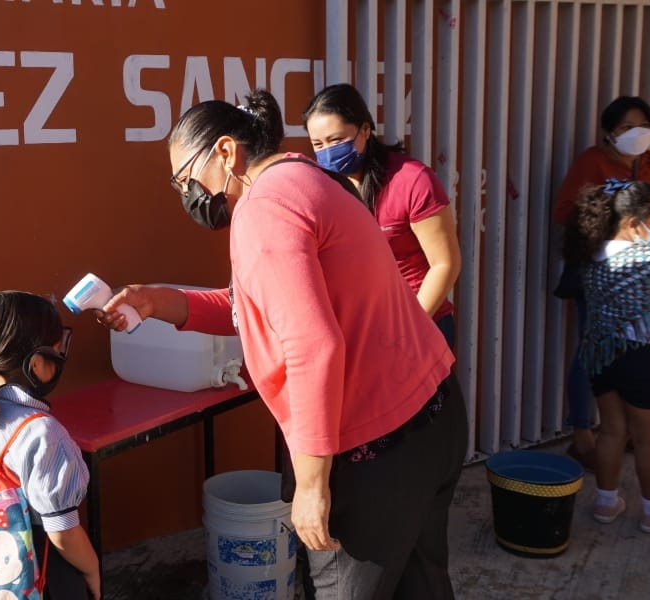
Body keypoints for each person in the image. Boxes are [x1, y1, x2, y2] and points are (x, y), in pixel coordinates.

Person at [98, 89, 468, 598]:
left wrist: (312, 484)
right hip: (434, 416)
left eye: (186, 179)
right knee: (422, 586)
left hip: (375, 452)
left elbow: (312, 346)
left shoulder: (263, 207)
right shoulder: (306, 178)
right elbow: (257, 304)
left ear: (226, 153)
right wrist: (157, 301)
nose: (188, 195)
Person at [0, 291, 101, 599]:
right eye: (58, 349)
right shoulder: (42, 433)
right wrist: (92, 570)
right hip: (42, 576)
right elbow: (62, 532)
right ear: (37, 363)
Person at [563, 179, 650, 535]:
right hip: (646, 360)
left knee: (611, 432)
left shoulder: (593, 257)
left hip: (604, 357)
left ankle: (606, 503)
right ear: (634, 223)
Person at [551, 96, 650, 471]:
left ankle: (623, 430)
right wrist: (609, 209)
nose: (637, 135)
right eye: (626, 128)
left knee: (636, 351)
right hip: (601, 275)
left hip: (643, 277)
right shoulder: (592, 162)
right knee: (593, 350)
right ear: (608, 133)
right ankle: (583, 433)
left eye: (644, 128)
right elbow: (563, 211)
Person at [303, 84, 461, 347]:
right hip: (360, 331)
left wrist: (407, 327)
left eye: (336, 140)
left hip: (418, 327)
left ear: (365, 130)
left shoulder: (412, 179)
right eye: (318, 144)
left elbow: (445, 263)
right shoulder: (322, 184)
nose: (328, 152)